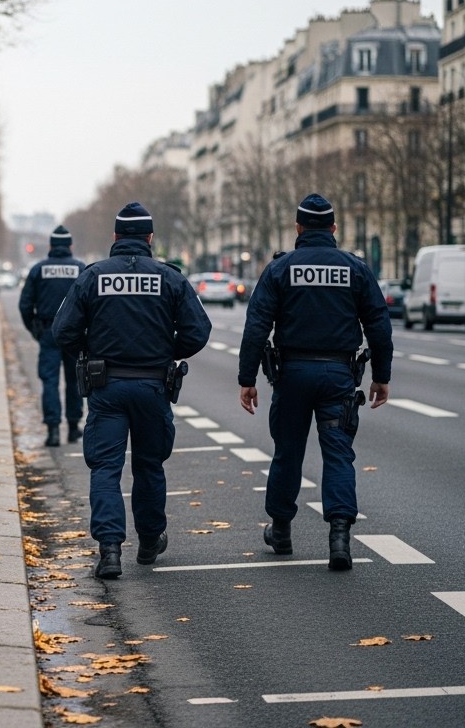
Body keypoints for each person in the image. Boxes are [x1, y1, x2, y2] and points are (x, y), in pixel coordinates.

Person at [52, 203, 212, 579]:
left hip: (107, 386)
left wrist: (91, 352)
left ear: (115, 238)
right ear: (150, 238)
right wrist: (166, 352)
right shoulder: (169, 278)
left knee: (106, 468)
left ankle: (109, 551)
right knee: (149, 464)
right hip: (153, 384)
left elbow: (63, 331)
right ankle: (149, 541)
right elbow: (198, 331)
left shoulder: (94, 277)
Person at [237, 193, 393, 571]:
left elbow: (257, 326)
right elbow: (379, 325)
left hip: (291, 375)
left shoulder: (280, 269)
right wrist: (382, 376)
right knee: (338, 453)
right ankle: (339, 538)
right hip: (339, 376)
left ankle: (281, 530)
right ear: (334, 229)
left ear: (298, 228)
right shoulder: (354, 268)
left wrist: (247, 378)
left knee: (287, 452)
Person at [20, 225, 88, 447]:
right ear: (70, 246)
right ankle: (73, 427)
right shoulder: (80, 269)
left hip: (48, 332)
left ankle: (53, 431)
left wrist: (35, 331)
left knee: (49, 381)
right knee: (74, 381)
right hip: (75, 334)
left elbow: (25, 305)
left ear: (50, 245)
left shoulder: (38, 269)